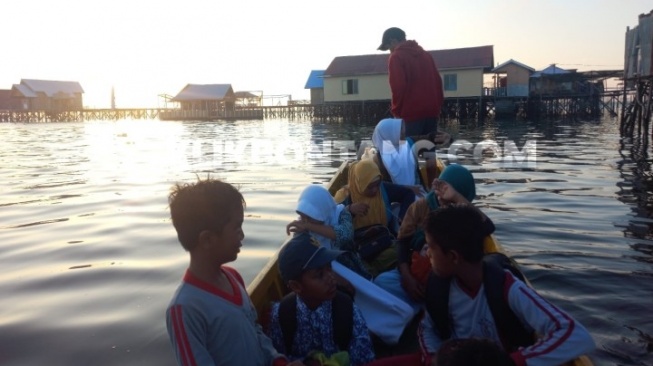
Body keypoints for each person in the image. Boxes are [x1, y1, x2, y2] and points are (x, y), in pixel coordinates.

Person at [418, 204, 595, 366]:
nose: (427, 254)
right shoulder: (441, 288)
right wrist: (432, 358)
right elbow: (427, 328)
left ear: (453, 257)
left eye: (430, 248)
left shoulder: (506, 288)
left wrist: (512, 362)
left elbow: (576, 335)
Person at [165, 177, 302, 366]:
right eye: (237, 227)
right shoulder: (184, 309)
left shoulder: (233, 277)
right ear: (207, 240)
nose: (242, 235)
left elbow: (254, 331)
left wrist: (277, 361)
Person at [374, 164, 494, 314]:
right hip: (417, 270)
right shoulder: (420, 207)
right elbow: (403, 242)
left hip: (446, 275)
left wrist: (457, 198)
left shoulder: (463, 213)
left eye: (450, 198)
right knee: (382, 282)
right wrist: (408, 278)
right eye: (440, 192)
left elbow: (488, 227)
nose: (442, 200)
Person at [266, 232, 376, 366]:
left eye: (329, 267)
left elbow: (365, 358)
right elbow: (278, 356)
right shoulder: (282, 314)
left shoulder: (346, 308)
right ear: (296, 286)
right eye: (319, 274)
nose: (331, 277)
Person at [334, 159, 415, 276]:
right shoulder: (344, 195)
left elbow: (408, 194)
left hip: (382, 241)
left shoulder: (383, 189)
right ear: (359, 183)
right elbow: (332, 221)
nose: (375, 190)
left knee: (404, 249)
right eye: (370, 187)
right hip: (357, 246)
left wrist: (403, 217)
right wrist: (349, 210)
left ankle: (372, 271)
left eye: (377, 185)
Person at [287, 184, 371, 279]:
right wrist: (300, 234)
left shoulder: (341, 213)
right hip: (323, 271)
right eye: (302, 215)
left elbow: (345, 235)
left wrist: (308, 226)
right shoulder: (303, 225)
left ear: (323, 210)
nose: (304, 220)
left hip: (347, 265)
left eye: (310, 217)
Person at [377, 27, 444, 141]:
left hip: (410, 113)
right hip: (431, 111)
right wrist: (437, 109)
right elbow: (438, 83)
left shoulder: (396, 56)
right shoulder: (426, 55)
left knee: (407, 150)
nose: (390, 51)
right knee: (429, 149)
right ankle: (430, 159)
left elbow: (398, 87)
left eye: (389, 48)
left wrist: (396, 111)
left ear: (393, 41)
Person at [371, 117, 431, 195]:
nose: (403, 134)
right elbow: (384, 187)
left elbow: (427, 139)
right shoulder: (378, 160)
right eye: (399, 133)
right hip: (398, 198)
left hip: (419, 191)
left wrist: (440, 137)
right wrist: (408, 189)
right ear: (389, 135)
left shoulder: (407, 143)